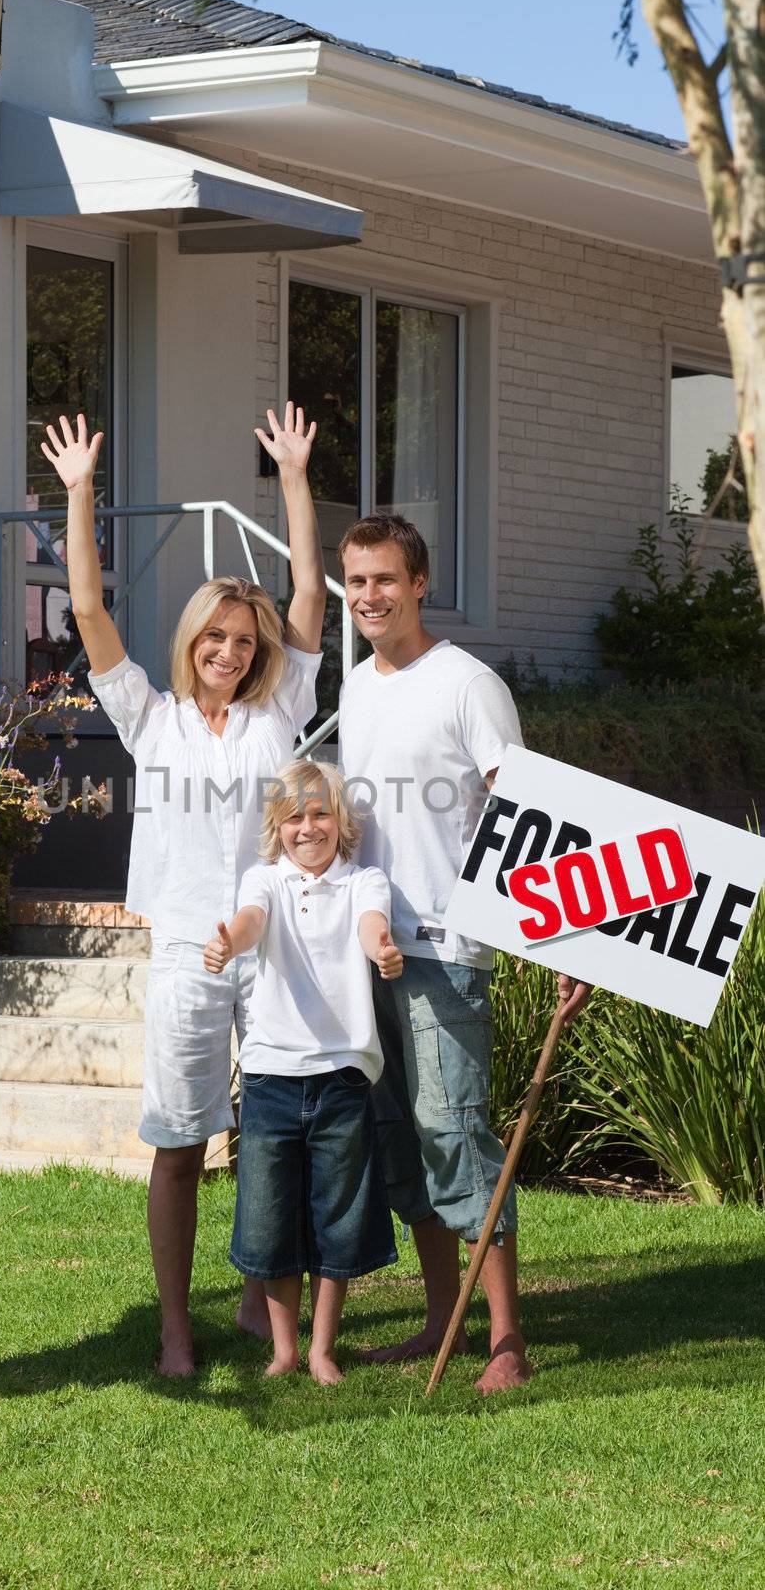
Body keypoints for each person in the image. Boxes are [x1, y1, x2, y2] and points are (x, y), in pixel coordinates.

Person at [41, 404, 326, 1376]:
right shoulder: (148, 719)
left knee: (273, 1133)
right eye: (218, 637)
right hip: (180, 954)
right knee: (178, 1140)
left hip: (274, 944)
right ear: (193, 638)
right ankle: (174, 1327)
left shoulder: (280, 711)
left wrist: (291, 476)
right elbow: (87, 612)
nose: (232, 652)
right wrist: (80, 493)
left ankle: (255, 1305)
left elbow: (308, 596)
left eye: (245, 642)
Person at [335, 513, 590, 1394]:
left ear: (419, 582)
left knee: (459, 1136)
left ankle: (506, 1340)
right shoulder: (356, 687)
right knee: (403, 1140)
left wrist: (564, 937)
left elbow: (523, 811)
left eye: (384, 580)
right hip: (371, 951)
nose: (369, 596)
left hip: (448, 948)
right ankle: (439, 1318)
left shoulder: (466, 684)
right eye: (356, 581)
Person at [204, 759, 401, 1384]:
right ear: (277, 827)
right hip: (270, 1078)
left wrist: (382, 949)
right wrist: (230, 940)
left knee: (337, 1216)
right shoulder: (263, 881)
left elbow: (373, 926)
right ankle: (283, 1349)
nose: (308, 828)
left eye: (320, 815)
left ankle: (321, 1349)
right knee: (270, 1217)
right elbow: (252, 920)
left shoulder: (364, 882)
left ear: (340, 823)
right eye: (295, 818)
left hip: (342, 1077)